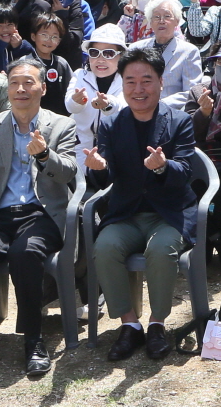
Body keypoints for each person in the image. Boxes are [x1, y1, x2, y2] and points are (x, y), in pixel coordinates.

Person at [0, 58, 80, 380]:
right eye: (14, 83)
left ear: (42, 87)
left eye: (28, 82)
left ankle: (34, 341)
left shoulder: (62, 125)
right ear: (7, 89)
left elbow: (68, 173)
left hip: (41, 214)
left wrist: (44, 156)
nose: (20, 89)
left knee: (26, 253)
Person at [85, 46, 198, 361]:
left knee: (161, 250)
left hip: (169, 213)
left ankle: (158, 323)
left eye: (146, 80)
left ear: (161, 82)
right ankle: (130, 324)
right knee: (105, 247)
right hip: (126, 212)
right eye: (130, 81)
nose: (138, 89)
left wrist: (162, 166)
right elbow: (104, 176)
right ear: (121, 83)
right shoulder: (110, 124)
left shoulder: (179, 121)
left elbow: (186, 171)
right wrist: (97, 168)